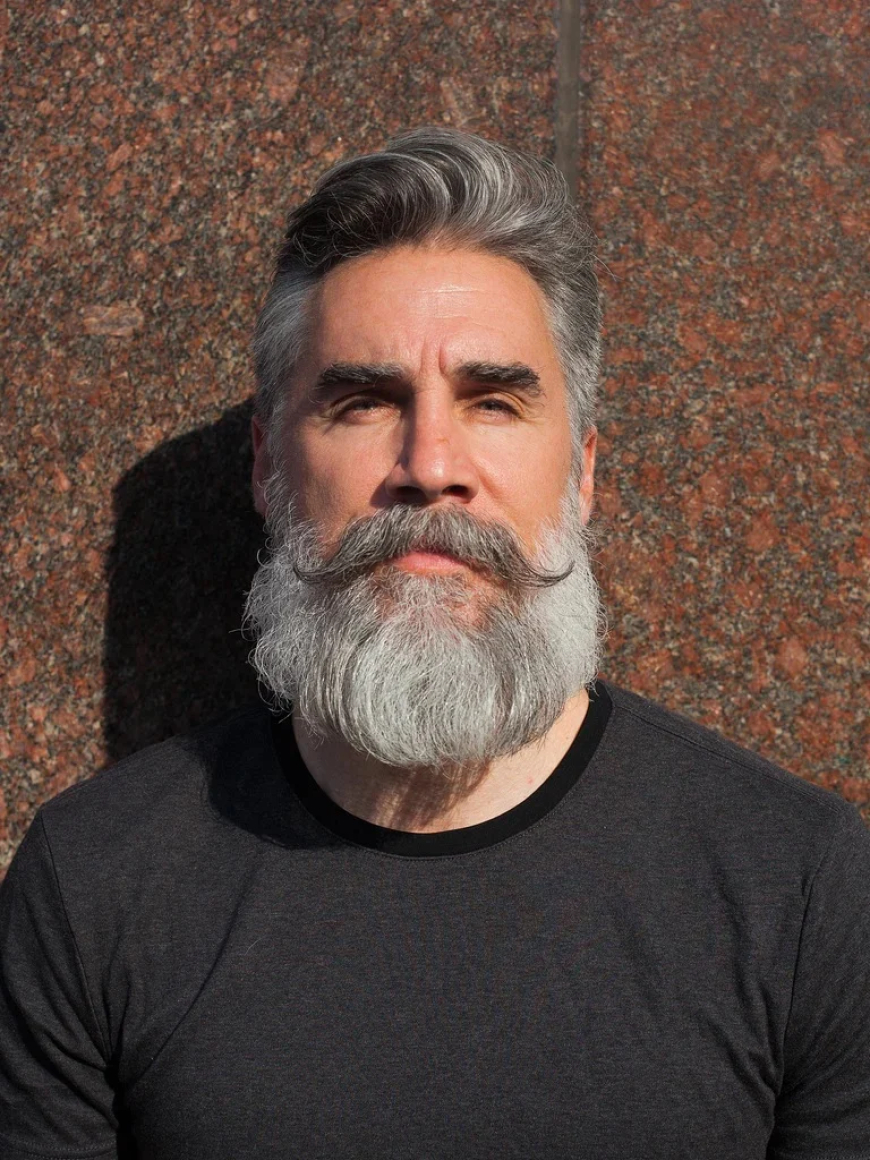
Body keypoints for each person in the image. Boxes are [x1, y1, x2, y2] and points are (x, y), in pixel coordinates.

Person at [1, 128, 868, 1160]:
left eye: (494, 402)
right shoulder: (92, 887)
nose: (430, 464)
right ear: (270, 467)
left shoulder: (801, 889)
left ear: (583, 472)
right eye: (364, 402)